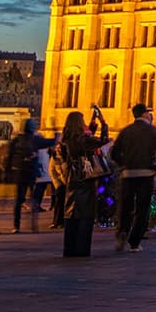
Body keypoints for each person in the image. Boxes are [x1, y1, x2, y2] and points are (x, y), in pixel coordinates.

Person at [110, 103, 156, 253]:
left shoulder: (126, 131)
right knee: (142, 209)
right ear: (144, 114)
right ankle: (135, 241)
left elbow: (114, 152)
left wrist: (123, 164)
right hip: (146, 174)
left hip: (128, 174)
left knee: (126, 206)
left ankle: (122, 231)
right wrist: (155, 167)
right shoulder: (152, 131)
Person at [60, 108, 109, 257]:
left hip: (72, 178)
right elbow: (101, 141)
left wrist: (92, 123)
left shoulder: (66, 140)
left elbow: (86, 139)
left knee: (71, 214)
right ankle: (82, 249)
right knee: (85, 216)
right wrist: (103, 123)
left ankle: (69, 249)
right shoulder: (84, 140)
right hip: (85, 179)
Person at [6, 119, 55, 233]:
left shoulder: (16, 140)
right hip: (31, 172)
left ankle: (16, 225)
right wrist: (56, 136)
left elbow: (9, 157)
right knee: (33, 198)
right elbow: (49, 142)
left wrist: (8, 171)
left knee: (19, 200)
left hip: (19, 172)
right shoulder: (35, 139)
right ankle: (33, 224)